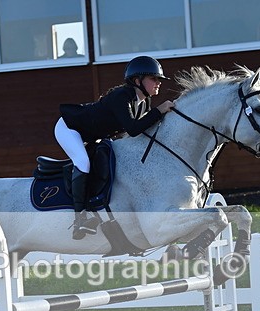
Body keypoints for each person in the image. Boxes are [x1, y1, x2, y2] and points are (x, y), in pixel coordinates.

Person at [55, 56, 175, 239]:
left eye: (159, 79)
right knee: (83, 162)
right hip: (69, 127)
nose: (158, 83)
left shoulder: (144, 102)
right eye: (154, 78)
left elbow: (144, 130)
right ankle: (80, 219)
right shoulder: (122, 97)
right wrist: (159, 111)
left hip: (93, 135)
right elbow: (133, 129)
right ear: (137, 81)